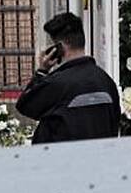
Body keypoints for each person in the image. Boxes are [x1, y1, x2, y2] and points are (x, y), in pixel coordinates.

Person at [16, 12, 120, 144]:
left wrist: (42, 71)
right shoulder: (106, 81)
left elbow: (25, 106)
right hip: (101, 158)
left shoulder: (56, 84)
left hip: (63, 161)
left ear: (58, 48)